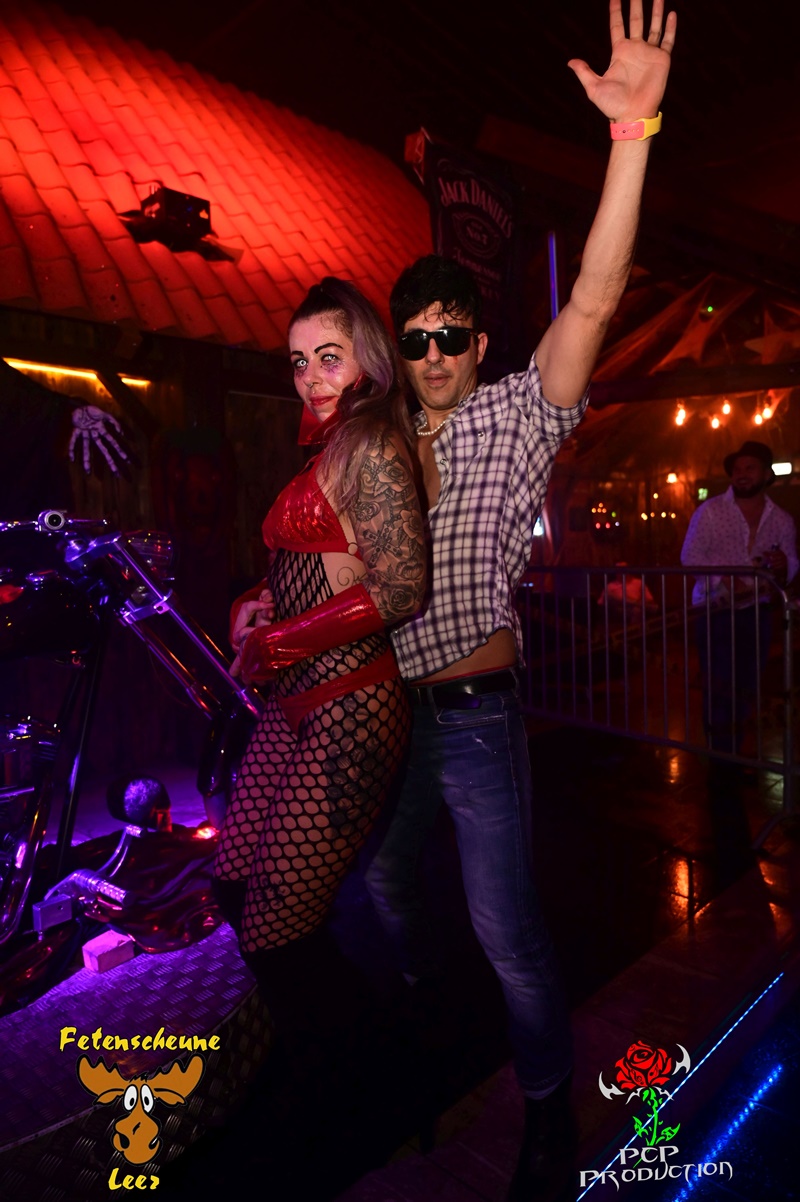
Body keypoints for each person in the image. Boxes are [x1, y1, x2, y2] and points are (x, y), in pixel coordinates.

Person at [362, 3, 676, 1199]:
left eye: (451, 334)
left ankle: (547, 1107)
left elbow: (592, 299)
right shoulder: (374, 441)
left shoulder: (512, 412)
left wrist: (630, 134)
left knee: (510, 933)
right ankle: (424, 1042)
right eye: (417, 338)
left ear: (478, 339)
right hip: (387, 718)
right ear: (399, 348)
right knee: (382, 895)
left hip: (479, 719)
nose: (435, 352)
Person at [211, 278, 426, 1172]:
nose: (309, 377)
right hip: (293, 705)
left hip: (351, 709)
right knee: (233, 887)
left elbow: (401, 586)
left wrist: (280, 639)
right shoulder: (331, 448)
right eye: (298, 361)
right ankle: (331, 1051)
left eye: (327, 357)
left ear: (368, 357)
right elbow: (321, 564)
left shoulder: (372, 441)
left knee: (277, 929)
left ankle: (365, 1084)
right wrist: (258, 601)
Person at [680, 439, 798, 755]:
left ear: (767, 474)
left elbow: (791, 562)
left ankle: (733, 753)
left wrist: (784, 565)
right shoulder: (710, 511)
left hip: (756, 612)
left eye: (750, 468)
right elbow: (689, 556)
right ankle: (720, 758)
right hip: (715, 611)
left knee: (746, 686)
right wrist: (724, 578)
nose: (741, 474)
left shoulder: (782, 519)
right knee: (719, 686)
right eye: (737, 469)